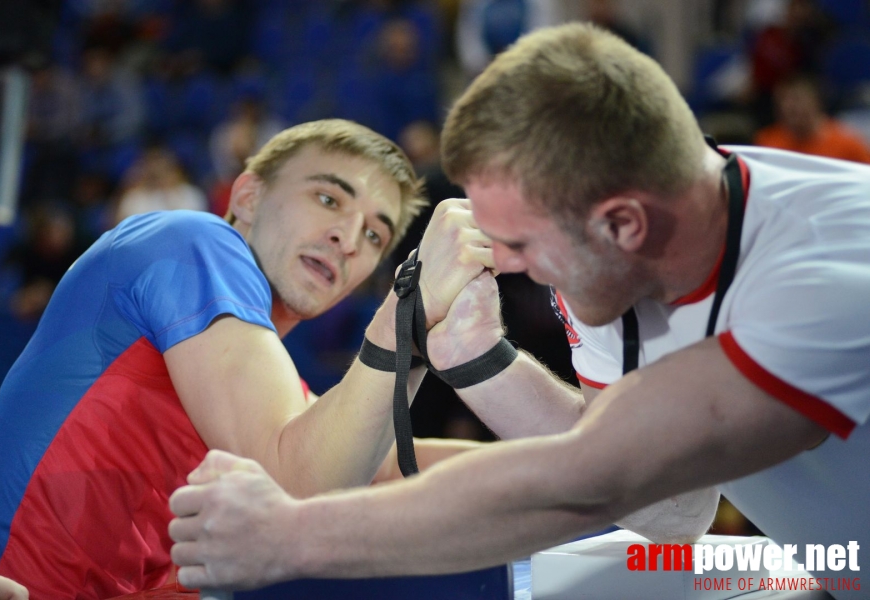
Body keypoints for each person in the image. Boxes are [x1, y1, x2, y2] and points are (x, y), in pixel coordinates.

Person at [168, 23, 870, 599]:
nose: (508, 263)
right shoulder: (634, 241)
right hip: (835, 565)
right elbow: (671, 510)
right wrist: (477, 358)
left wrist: (290, 534)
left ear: (622, 224)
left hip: (829, 568)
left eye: (523, 241)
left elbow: (588, 484)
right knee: (609, 578)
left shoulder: (821, 278)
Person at [0, 119, 494, 599]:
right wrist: (408, 322)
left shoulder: (273, 393)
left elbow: (386, 470)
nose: (349, 239)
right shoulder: (192, 242)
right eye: (329, 199)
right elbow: (296, 483)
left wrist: (566, 461)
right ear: (247, 195)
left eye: (375, 235)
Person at [754, 75, 870, 164]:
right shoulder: (767, 142)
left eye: (797, 99)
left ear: (816, 101)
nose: (789, 106)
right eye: (783, 100)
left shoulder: (847, 145)